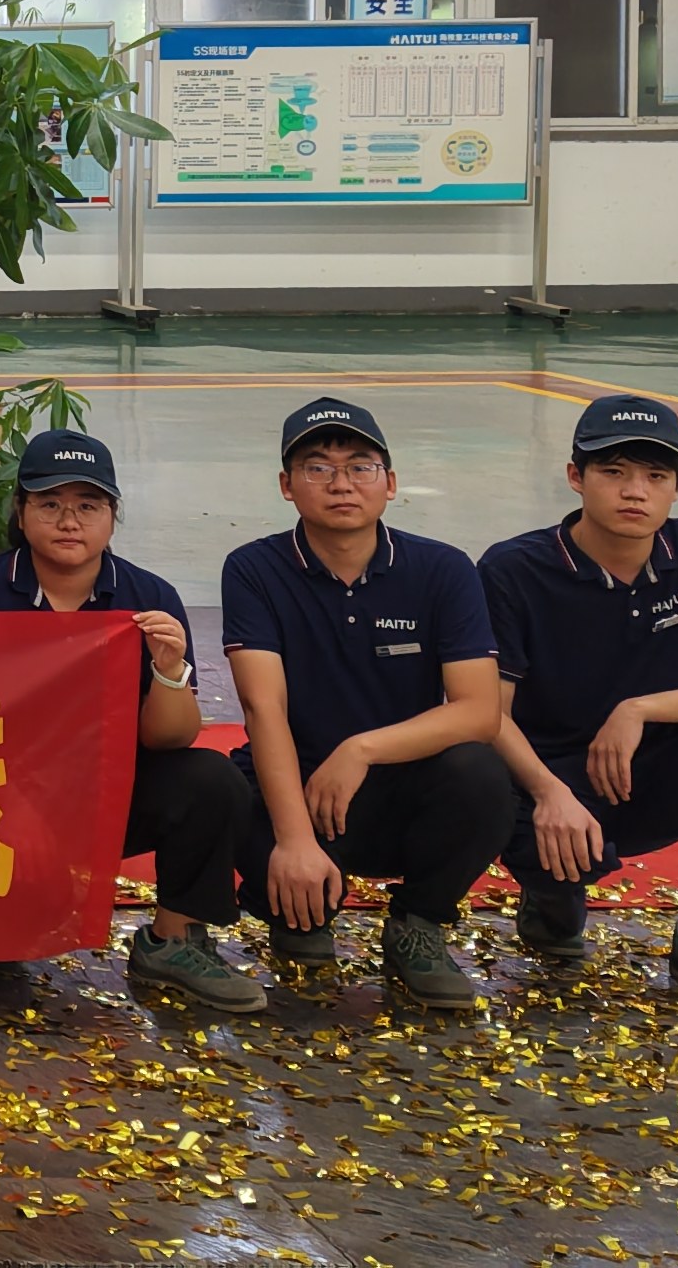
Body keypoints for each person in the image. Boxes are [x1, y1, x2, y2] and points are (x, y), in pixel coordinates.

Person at [482, 395, 678, 1012]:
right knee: (486, 785)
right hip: (546, 786)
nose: (635, 491)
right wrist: (550, 792)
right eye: (614, 472)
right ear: (575, 477)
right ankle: (552, 895)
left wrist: (639, 710)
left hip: (649, 772)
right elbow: (486, 713)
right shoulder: (513, 570)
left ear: (676, 489)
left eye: (656, 476)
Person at [0, 428, 268, 1016]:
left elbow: (171, 738)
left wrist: (168, 670)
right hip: (0, 795)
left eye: (88, 506)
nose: (69, 521)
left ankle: (172, 940)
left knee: (211, 779)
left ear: (113, 516)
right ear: (20, 511)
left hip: (109, 792)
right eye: (50, 504)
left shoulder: (148, 597)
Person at [220, 397, 513, 1009]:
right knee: (220, 790)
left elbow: (479, 711)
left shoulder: (442, 569)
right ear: (286, 486)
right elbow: (263, 709)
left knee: (482, 773)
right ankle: (299, 911)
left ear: (390, 483)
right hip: (295, 787)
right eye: (318, 468)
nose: (341, 484)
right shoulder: (254, 569)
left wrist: (362, 749)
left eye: (360, 466)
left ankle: (419, 923)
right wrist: (294, 842)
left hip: (402, 787)